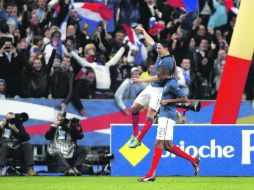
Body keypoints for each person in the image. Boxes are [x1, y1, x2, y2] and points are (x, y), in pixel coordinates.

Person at [138, 66, 200, 182]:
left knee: (158, 143)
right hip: (164, 115)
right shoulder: (164, 83)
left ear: (165, 75)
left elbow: (184, 98)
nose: (157, 77)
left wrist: (168, 101)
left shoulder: (172, 83)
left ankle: (151, 173)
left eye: (159, 75)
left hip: (167, 117)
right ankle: (193, 160)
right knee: (168, 145)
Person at [128, 25, 176, 148]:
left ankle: (139, 139)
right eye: (158, 48)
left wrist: (141, 80)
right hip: (151, 87)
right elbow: (152, 42)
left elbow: (158, 77)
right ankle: (135, 133)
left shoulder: (168, 62)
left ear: (166, 49)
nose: (157, 49)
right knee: (134, 109)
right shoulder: (161, 54)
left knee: (150, 113)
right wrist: (143, 31)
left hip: (160, 90)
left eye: (159, 48)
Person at [45, 112, 87, 176]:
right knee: (57, 152)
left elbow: (80, 136)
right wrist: (54, 127)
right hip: (57, 156)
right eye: (59, 120)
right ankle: (68, 169)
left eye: (63, 120)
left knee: (84, 149)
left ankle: (75, 167)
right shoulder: (54, 129)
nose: (61, 122)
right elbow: (47, 137)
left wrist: (71, 127)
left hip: (69, 155)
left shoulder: (70, 129)